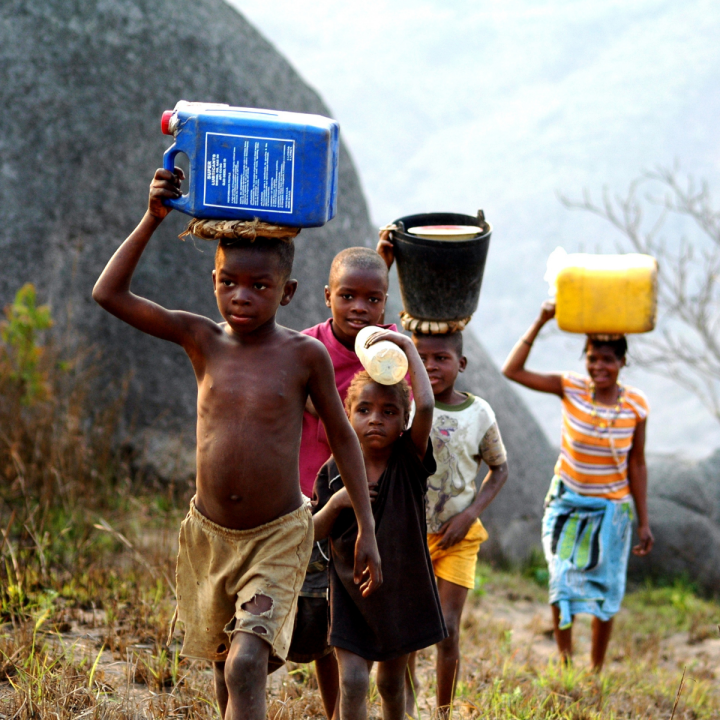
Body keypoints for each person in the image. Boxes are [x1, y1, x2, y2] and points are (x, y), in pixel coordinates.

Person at [92, 167, 382, 720]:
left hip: (277, 537)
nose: (241, 296)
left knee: (247, 664)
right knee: (226, 669)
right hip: (210, 538)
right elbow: (108, 293)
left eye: (260, 286)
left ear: (289, 292)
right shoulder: (201, 339)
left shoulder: (303, 355)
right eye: (228, 282)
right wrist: (153, 218)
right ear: (213, 280)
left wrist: (366, 527)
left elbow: (343, 437)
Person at [502, 300, 654, 671]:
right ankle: (565, 661)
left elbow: (637, 462)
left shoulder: (635, 405)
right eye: (592, 358)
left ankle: (597, 668)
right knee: (561, 580)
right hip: (567, 503)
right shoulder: (570, 387)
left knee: (608, 588)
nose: (599, 366)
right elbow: (512, 370)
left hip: (612, 509)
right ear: (584, 359)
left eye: (608, 360)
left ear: (622, 362)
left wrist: (644, 521)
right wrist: (541, 320)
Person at [312, 331, 447, 720]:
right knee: (353, 682)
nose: (375, 419)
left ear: (403, 422)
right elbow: (313, 532)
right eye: (364, 409)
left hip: (402, 590)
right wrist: (339, 502)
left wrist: (407, 348)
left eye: (389, 412)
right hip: (351, 593)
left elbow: (426, 406)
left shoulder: (409, 460)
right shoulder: (334, 471)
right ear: (346, 413)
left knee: (391, 683)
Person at [289, 246, 394, 718]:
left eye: (372, 299)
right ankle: (333, 706)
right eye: (347, 296)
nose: (358, 308)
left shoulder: (387, 352)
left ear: (384, 306)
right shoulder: (306, 347)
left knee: (350, 614)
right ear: (326, 296)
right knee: (318, 610)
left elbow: (400, 409)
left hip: (368, 505)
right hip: (308, 497)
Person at [404, 330, 509, 717]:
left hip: (458, 538)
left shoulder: (479, 412)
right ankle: (407, 706)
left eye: (441, 358)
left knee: (446, 628)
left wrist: (469, 514)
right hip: (410, 535)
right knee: (409, 628)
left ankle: (444, 711)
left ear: (461, 364)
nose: (431, 366)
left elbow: (499, 469)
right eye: (422, 357)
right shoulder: (405, 406)